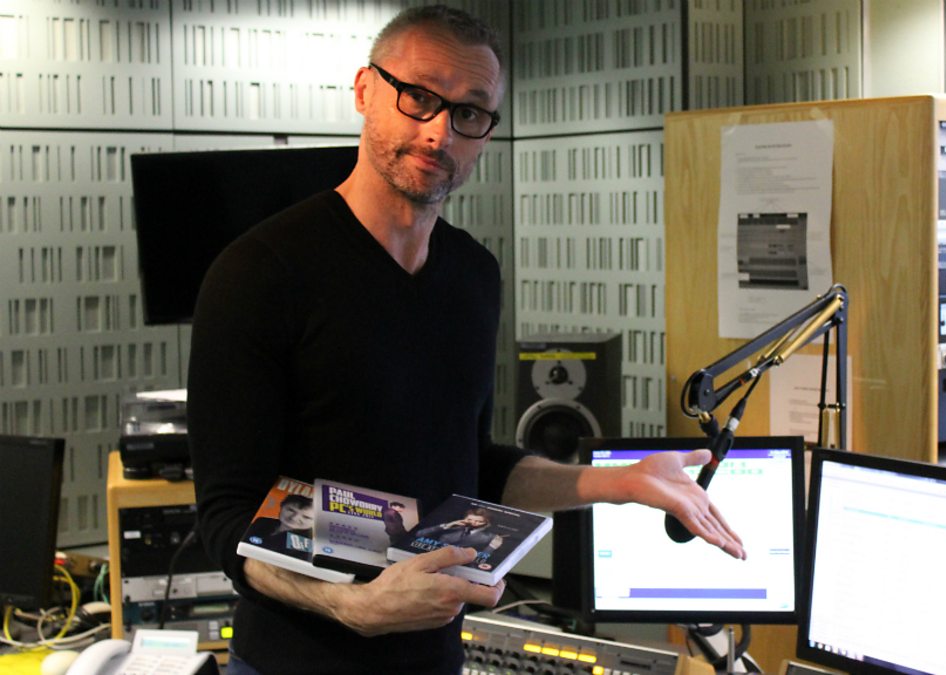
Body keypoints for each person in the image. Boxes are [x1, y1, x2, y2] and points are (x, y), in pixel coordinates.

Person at [187, 5, 744, 674]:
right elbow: (227, 518)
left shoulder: (474, 275)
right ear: (366, 90)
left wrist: (621, 480)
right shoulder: (258, 272)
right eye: (418, 97)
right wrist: (352, 608)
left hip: (436, 658)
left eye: (468, 112)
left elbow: (470, 469)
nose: (438, 132)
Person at [242, 494, 316, 561]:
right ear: (281, 506)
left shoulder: (311, 543)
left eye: (306, 517)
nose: (294, 518)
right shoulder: (262, 521)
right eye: (291, 510)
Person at [415, 507, 502, 551]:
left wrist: (491, 547)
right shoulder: (453, 527)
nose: (473, 523)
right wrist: (447, 525)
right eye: (469, 519)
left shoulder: (490, 537)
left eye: (479, 521)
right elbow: (419, 535)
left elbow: (483, 557)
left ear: (487, 523)